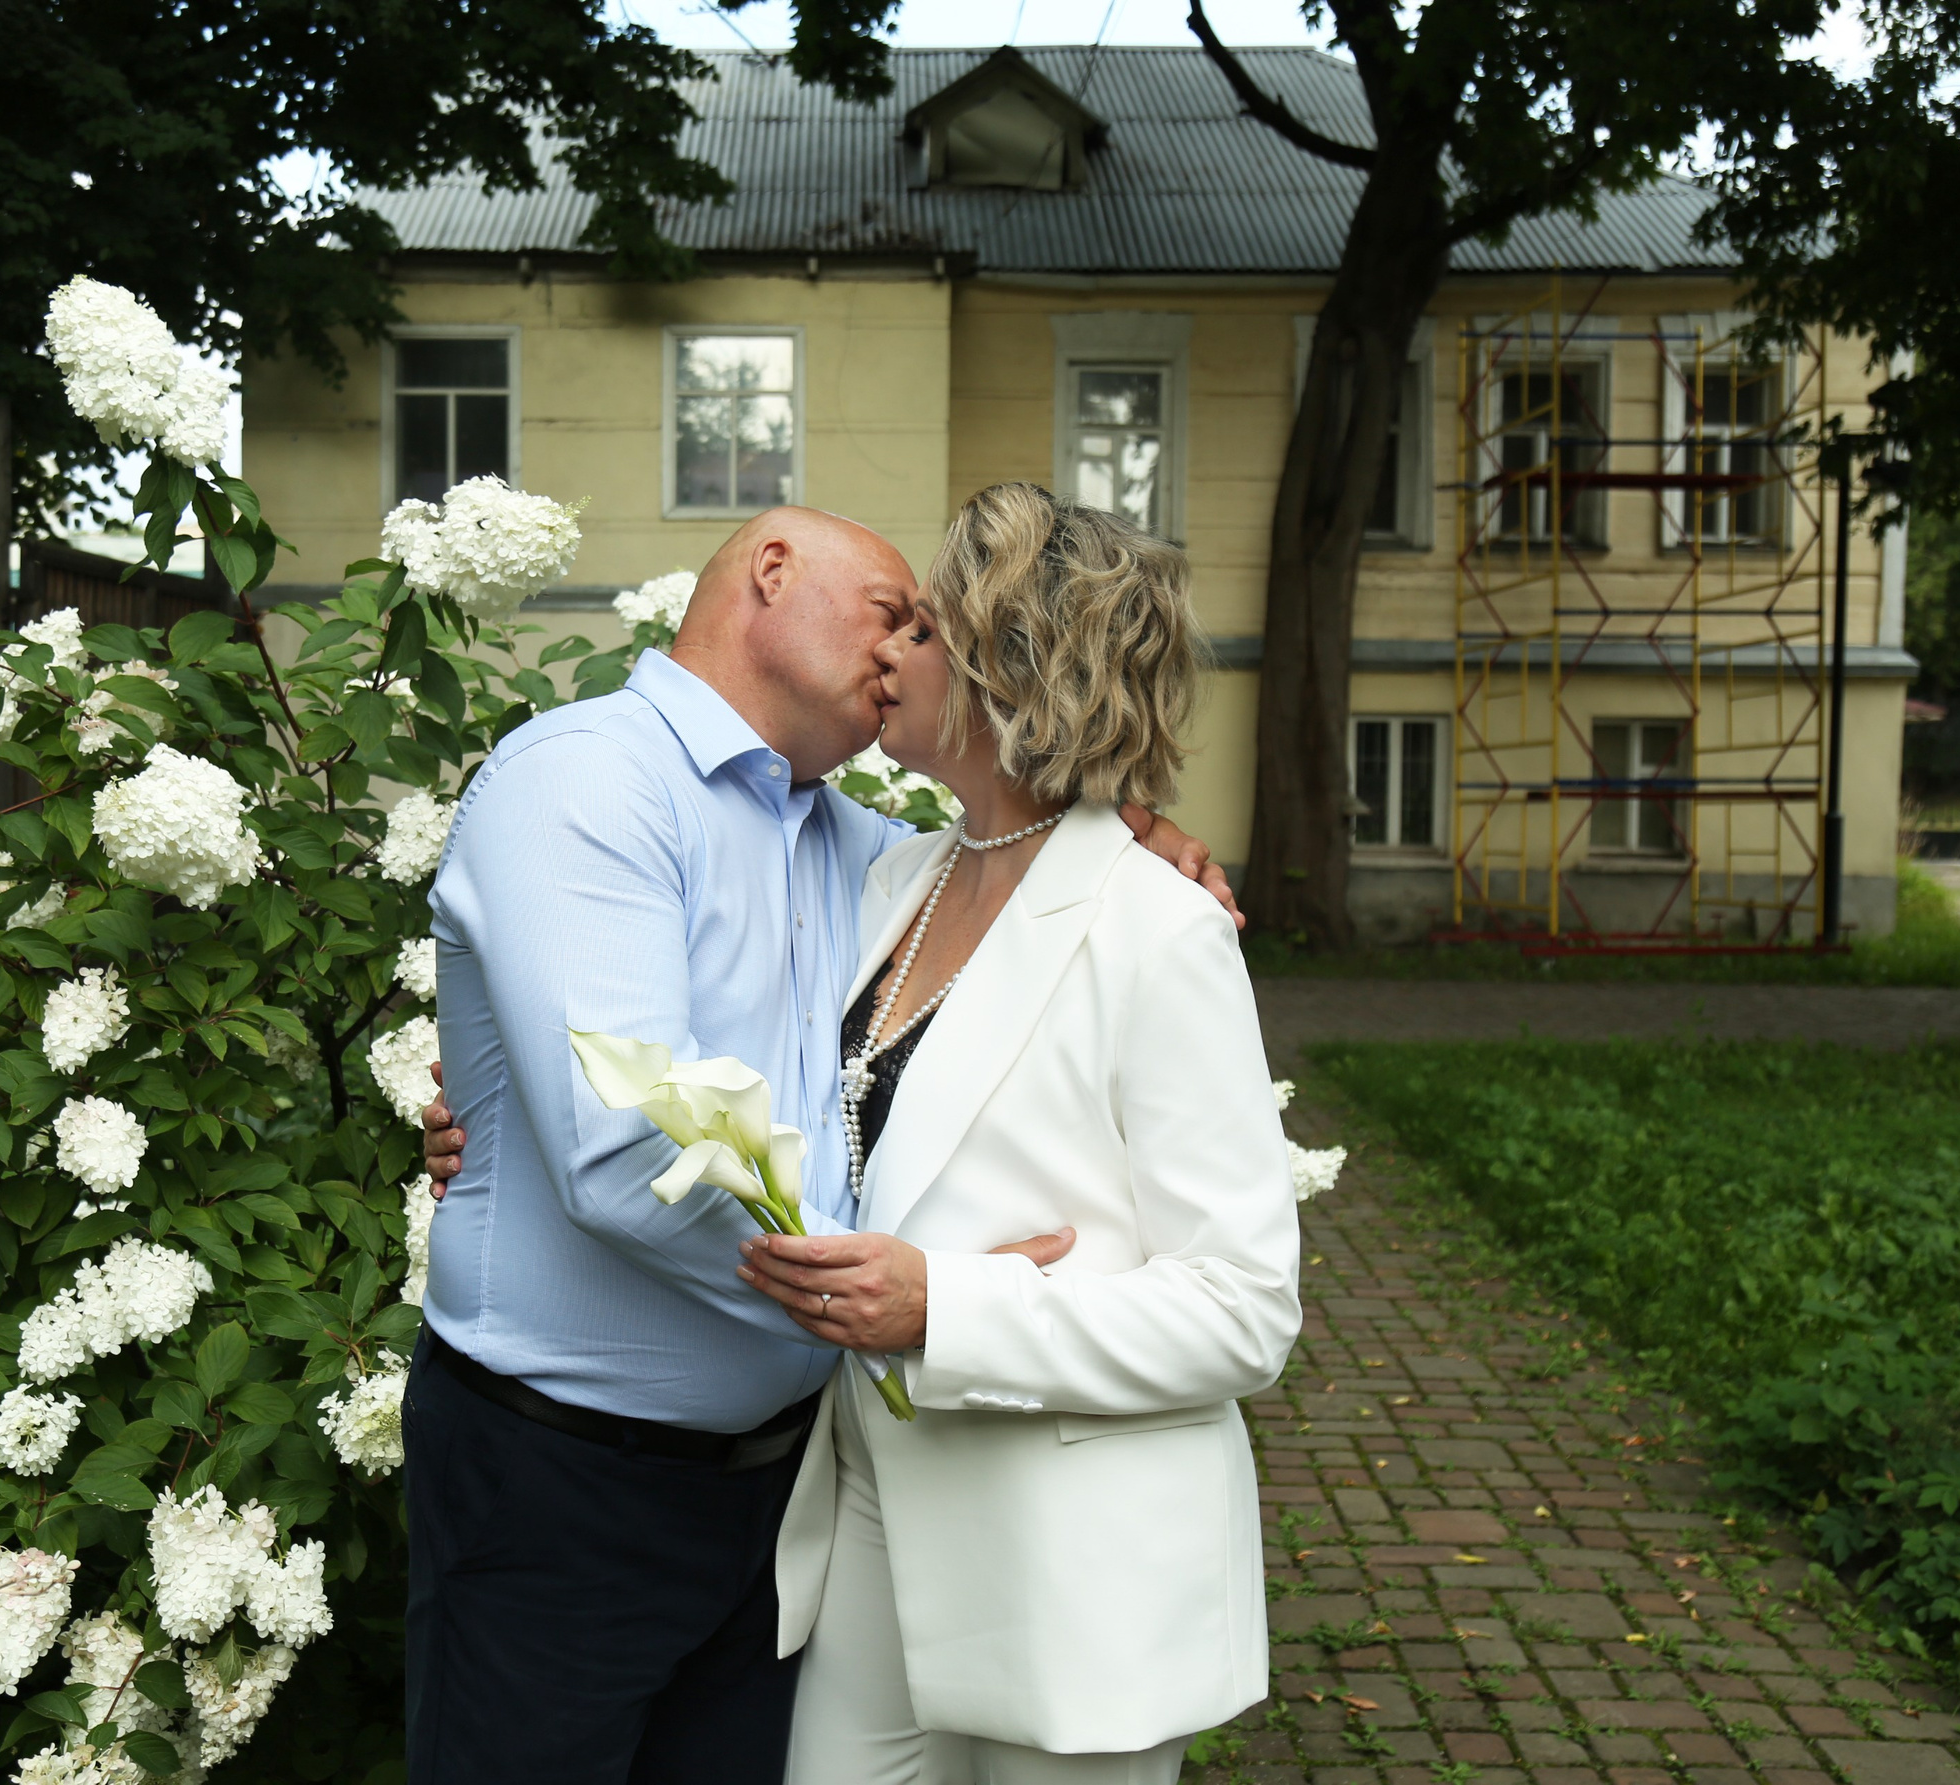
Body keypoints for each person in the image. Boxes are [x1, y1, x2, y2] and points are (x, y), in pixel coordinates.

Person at [405, 505, 1240, 1785]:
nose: (899, 648)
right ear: (771, 571)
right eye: (889, 612)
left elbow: (1029, 878)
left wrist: (1131, 823)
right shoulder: (586, 781)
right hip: (569, 1479)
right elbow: (621, 1152)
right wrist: (900, 1301)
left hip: (791, 1503)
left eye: (928, 627)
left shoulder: (861, 851)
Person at [733, 482, 1303, 1785]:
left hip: (1073, 1567)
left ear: (1009, 670)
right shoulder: (894, 878)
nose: (886, 650)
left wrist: (950, 1309)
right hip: (877, 1503)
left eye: (921, 629)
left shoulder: (1158, 935)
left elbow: (1246, 1309)